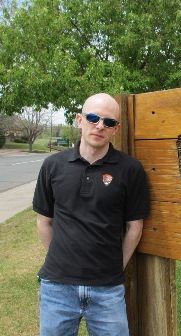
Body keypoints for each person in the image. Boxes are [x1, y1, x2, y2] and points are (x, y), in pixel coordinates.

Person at [33, 93, 149, 335]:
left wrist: (116, 267)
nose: (99, 126)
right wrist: (62, 259)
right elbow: (44, 221)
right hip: (57, 288)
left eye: (108, 122)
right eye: (93, 118)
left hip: (107, 290)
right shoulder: (53, 166)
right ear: (79, 119)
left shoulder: (131, 170)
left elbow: (134, 227)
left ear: (116, 128)